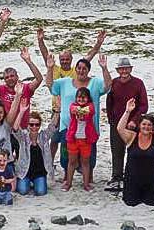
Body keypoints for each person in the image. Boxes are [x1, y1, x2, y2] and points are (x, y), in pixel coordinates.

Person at [38, 27, 105, 168]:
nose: (64, 62)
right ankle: (49, 162)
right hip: (57, 111)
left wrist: (98, 43)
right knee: (54, 139)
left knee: (73, 139)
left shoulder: (77, 70)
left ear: (71, 60)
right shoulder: (55, 69)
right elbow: (45, 54)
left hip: (76, 113)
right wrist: (40, 40)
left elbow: (90, 55)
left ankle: (78, 165)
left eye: (67, 59)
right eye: (62, 59)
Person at [46, 52, 113, 182]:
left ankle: (89, 178)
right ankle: (67, 176)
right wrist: (50, 68)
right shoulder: (65, 82)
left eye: (84, 68)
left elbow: (108, 85)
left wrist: (104, 68)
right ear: (75, 69)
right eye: (79, 68)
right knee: (66, 155)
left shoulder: (95, 82)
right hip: (68, 127)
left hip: (89, 127)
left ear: (88, 70)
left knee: (89, 156)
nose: (81, 71)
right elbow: (50, 85)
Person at [104, 57, 148, 192]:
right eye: (121, 69)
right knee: (117, 151)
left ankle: (133, 176)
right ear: (118, 70)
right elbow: (109, 102)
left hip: (134, 124)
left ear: (131, 69)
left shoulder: (138, 83)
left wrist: (134, 120)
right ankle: (117, 177)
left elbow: (144, 105)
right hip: (116, 123)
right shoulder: (114, 83)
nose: (124, 71)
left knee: (135, 151)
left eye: (126, 68)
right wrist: (111, 120)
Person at [117, 98, 154, 206]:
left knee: (153, 203)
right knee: (130, 202)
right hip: (133, 181)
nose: (146, 127)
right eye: (144, 124)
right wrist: (127, 111)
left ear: (153, 127)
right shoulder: (132, 136)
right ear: (139, 126)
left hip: (153, 181)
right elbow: (120, 128)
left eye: (149, 125)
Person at [13, 100, 56, 196]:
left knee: (41, 192)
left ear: (40, 125)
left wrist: (57, 112)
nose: (34, 127)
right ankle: (29, 182)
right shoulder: (23, 137)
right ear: (28, 125)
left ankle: (35, 182)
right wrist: (21, 112)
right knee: (23, 191)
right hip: (25, 172)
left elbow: (53, 126)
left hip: (40, 173)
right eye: (31, 124)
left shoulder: (43, 137)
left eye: (37, 125)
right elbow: (15, 128)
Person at [65, 87, 98, 191]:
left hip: (86, 140)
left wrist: (80, 110)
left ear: (88, 98)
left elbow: (90, 110)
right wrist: (79, 110)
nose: (81, 99)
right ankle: (68, 183)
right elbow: (73, 109)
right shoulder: (73, 106)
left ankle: (86, 184)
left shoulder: (91, 106)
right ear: (76, 98)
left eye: (84, 98)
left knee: (85, 162)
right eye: (79, 97)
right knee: (72, 162)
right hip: (73, 139)